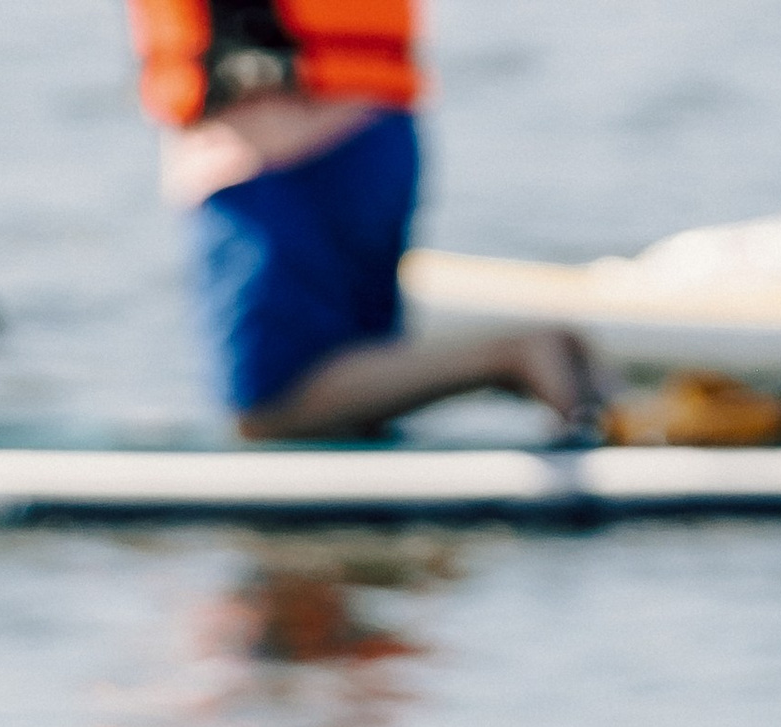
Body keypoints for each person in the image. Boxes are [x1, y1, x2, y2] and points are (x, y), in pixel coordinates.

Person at [127, 0, 598, 441]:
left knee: (271, 404)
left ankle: (514, 357)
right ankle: (555, 373)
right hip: (369, 122)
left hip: (282, 139)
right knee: (350, 390)